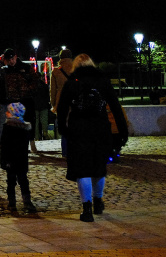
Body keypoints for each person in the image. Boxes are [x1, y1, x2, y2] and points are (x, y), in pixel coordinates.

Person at [56, 54, 128, 222]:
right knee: (98, 167)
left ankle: (86, 208)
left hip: (78, 130)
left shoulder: (72, 82)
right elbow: (116, 107)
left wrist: (63, 129)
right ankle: (98, 201)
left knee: (82, 169)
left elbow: (62, 109)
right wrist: (123, 132)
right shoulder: (102, 81)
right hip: (100, 129)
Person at [0, 49, 38, 148]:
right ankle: (17, 144)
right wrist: (0, 61)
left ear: (15, 57)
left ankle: (31, 141)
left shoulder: (25, 67)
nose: (11, 61)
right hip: (12, 100)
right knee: (14, 124)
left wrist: (28, 89)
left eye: (12, 58)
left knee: (29, 121)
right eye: (8, 59)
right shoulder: (4, 69)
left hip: (25, 98)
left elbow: (35, 80)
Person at [0, 102, 37, 213]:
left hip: (10, 161)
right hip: (21, 161)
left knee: (11, 182)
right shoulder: (25, 129)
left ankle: (12, 203)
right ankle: (27, 202)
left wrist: (4, 162)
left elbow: (4, 146)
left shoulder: (7, 128)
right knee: (23, 181)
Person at [50, 48, 74, 153]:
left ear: (60, 58)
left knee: (63, 125)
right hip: (75, 99)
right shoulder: (77, 69)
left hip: (61, 101)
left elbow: (52, 90)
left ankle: (65, 150)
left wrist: (53, 104)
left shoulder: (56, 71)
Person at [33, 70, 51, 141]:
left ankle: (37, 137)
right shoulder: (45, 86)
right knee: (44, 122)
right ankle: (45, 134)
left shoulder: (32, 86)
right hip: (44, 106)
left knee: (36, 122)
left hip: (34, 106)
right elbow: (47, 96)